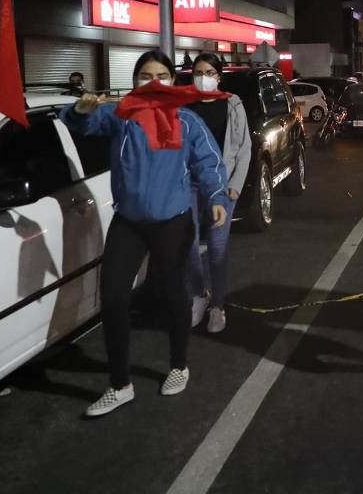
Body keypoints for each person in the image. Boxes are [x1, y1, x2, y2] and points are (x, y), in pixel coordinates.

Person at [61, 50, 230, 418]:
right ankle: (120, 384)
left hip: (173, 221)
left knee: (173, 293)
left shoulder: (186, 120)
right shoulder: (121, 115)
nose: (154, 82)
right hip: (129, 222)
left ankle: (179, 365)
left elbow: (209, 162)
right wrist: (80, 112)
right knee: (113, 297)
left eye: (161, 76)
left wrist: (217, 196)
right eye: (145, 76)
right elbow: (84, 124)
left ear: (172, 81)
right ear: (134, 81)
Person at [185, 53, 253, 334]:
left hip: (221, 186)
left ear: (219, 76)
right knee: (188, 245)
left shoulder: (232, 103)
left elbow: (244, 147)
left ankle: (218, 307)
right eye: (199, 72)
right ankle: (199, 294)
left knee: (217, 247)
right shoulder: (184, 105)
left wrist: (235, 185)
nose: (204, 77)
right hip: (189, 184)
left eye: (210, 72)